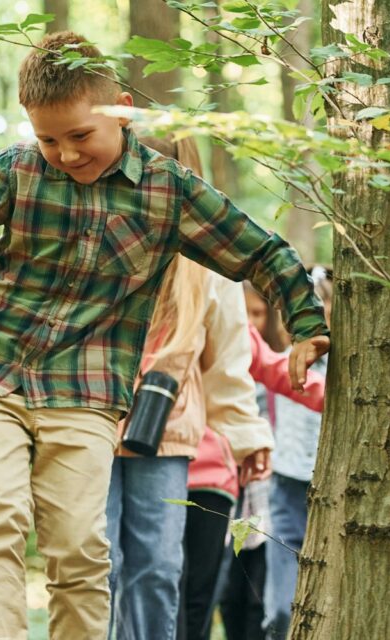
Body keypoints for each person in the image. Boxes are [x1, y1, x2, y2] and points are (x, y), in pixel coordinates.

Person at [0, 30, 330, 639]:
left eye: (79, 136)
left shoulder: (167, 190)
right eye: (49, 139)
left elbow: (262, 252)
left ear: (120, 109)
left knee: (80, 550)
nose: (66, 155)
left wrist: (307, 323)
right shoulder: (18, 170)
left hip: (89, 389)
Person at [104, 134, 272, 640]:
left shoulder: (209, 261)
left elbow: (227, 360)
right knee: (98, 563)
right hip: (90, 421)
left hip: (167, 432)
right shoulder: (95, 235)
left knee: (157, 568)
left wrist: (246, 435)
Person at [187, 289, 327, 640]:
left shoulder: (223, 306)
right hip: (145, 460)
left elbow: (273, 367)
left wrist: (348, 393)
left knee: (198, 598)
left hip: (213, 473)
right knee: (152, 582)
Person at [262, 268, 332, 640]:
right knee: (280, 608)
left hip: (332, 486)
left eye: (324, 305)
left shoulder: (348, 365)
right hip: (286, 484)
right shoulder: (281, 358)